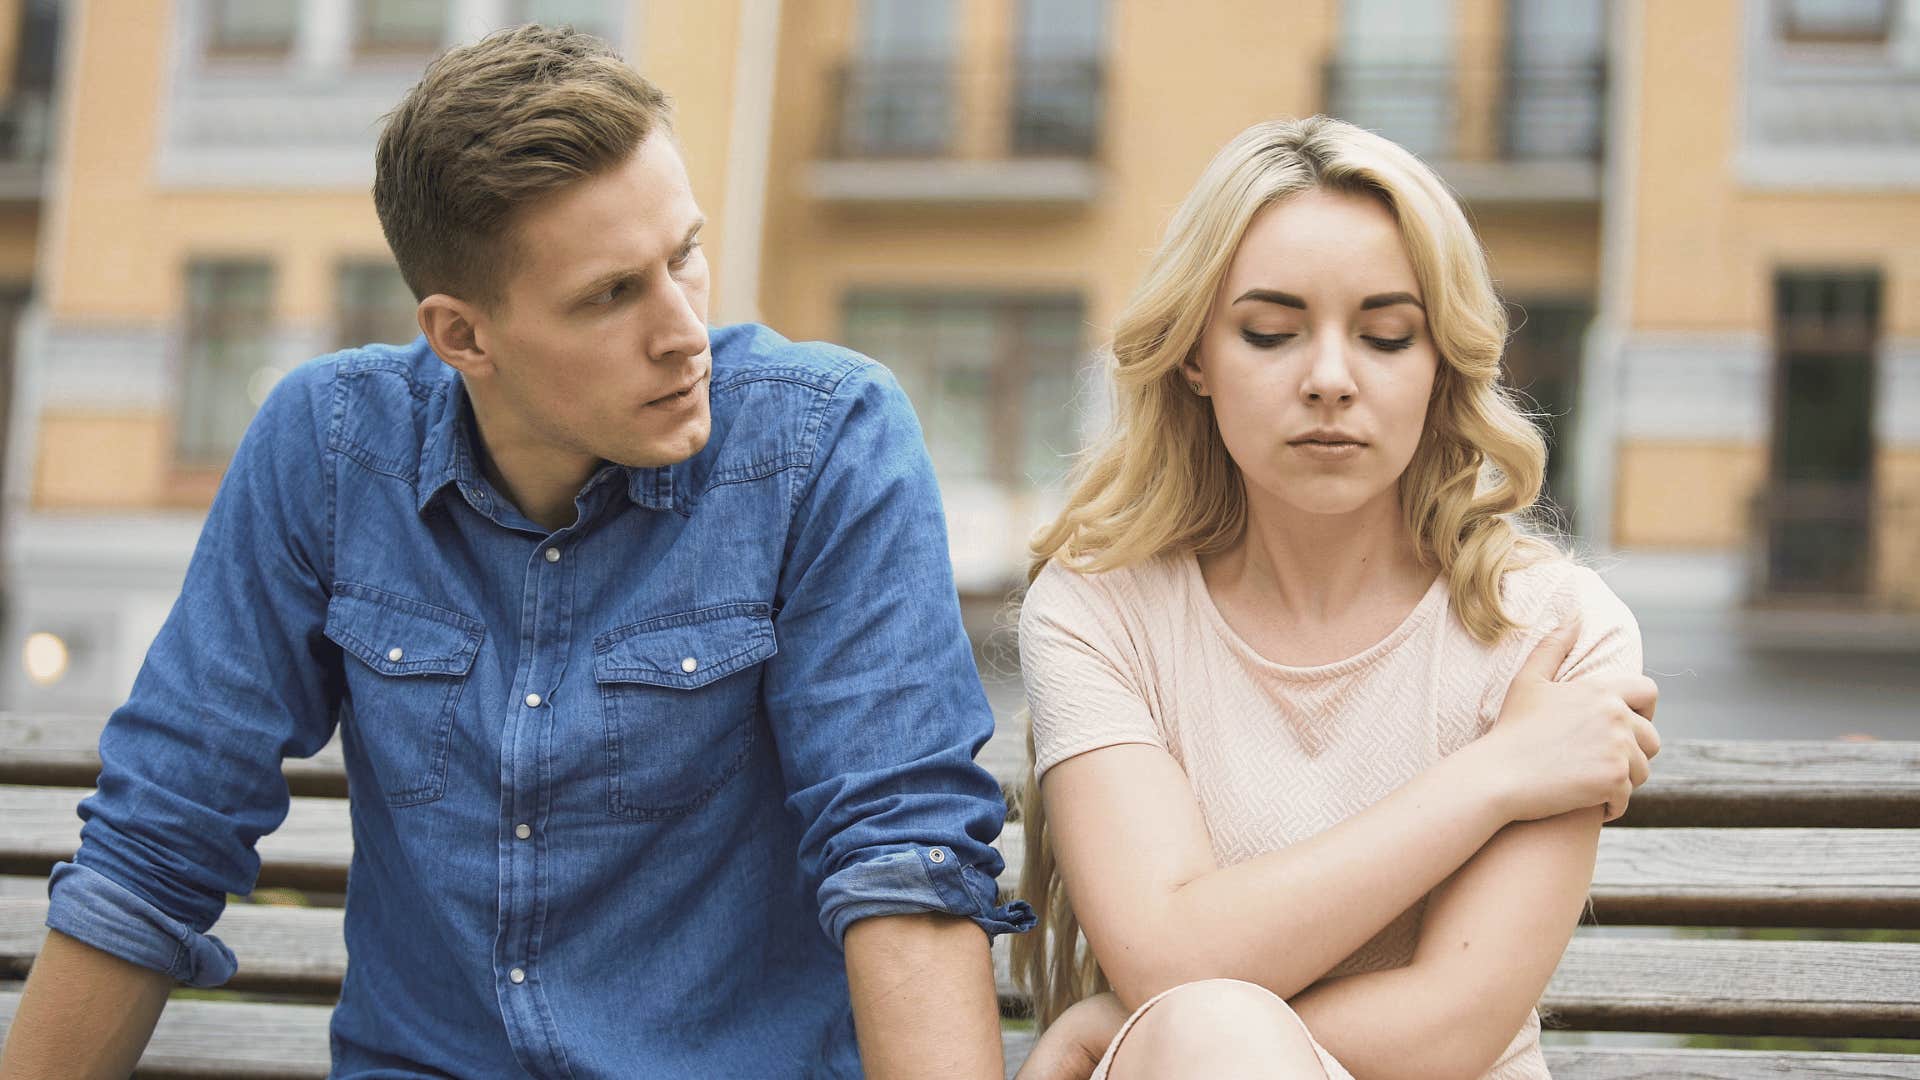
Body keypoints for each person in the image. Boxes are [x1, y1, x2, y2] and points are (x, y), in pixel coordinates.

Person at [0, 25, 1029, 1080]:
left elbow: (902, 859)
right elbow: (162, 836)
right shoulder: (331, 450)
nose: (680, 331)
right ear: (463, 337)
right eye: (611, 295)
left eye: (683, 256)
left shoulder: (823, 446)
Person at [1008, 117, 1660, 1080]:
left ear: (1440, 364)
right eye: (1270, 332)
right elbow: (1172, 957)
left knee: (1208, 1031)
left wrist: (1126, 1022)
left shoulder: (1556, 634)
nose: (1328, 380)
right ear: (1194, 354)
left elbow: (1453, 1028)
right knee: (1205, 1034)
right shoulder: (1098, 611)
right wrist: (1494, 776)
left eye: (1386, 336)